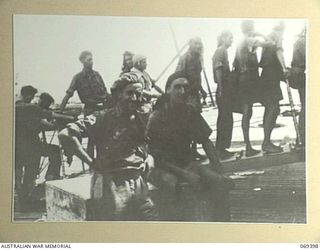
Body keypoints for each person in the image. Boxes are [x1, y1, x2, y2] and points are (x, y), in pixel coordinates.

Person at [59, 73, 159, 221]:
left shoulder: (139, 118)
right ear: (119, 94)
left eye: (138, 94)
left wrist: (148, 158)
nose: (134, 98)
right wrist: (91, 163)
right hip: (112, 184)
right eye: (129, 93)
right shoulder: (102, 117)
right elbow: (65, 134)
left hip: (139, 183)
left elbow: (144, 143)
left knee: (153, 225)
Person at [147, 72, 234, 221]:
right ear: (168, 90)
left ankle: (222, 229)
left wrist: (220, 170)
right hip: (162, 168)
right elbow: (156, 155)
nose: (182, 91)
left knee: (221, 184)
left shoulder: (190, 112)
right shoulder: (157, 117)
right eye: (177, 87)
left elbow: (206, 142)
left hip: (187, 164)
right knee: (173, 185)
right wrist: (184, 174)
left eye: (185, 87)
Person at [15, 86, 72, 210]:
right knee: (52, 153)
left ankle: (25, 197)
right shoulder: (28, 107)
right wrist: (71, 119)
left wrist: (50, 124)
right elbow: (47, 119)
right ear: (28, 95)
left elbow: (39, 124)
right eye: (33, 97)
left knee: (20, 174)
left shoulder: (18, 108)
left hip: (17, 147)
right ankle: (49, 182)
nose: (34, 100)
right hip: (29, 147)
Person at [233, 20, 272, 157]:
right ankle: (257, 144)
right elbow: (269, 43)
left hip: (243, 80)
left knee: (247, 113)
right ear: (252, 28)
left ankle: (248, 145)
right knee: (256, 109)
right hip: (250, 80)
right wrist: (259, 33)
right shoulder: (250, 40)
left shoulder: (241, 42)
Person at [259, 21, 289, 153]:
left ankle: (266, 142)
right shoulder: (277, 35)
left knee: (270, 108)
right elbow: (279, 51)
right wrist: (284, 68)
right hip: (271, 76)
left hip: (267, 76)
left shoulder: (269, 36)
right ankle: (266, 142)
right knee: (274, 108)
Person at [175, 37, 206, 159]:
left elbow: (197, 77)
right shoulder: (184, 58)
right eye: (195, 43)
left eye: (200, 43)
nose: (198, 46)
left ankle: (193, 150)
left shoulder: (198, 58)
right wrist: (182, 93)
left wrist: (202, 90)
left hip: (195, 95)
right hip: (187, 96)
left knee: (194, 122)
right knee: (188, 123)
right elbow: (177, 76)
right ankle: (187, 152)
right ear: (190, 45)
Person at [60, 51, 112, 115]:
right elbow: (68, 95)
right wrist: (60, 111)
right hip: (90, 111)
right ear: (82, 61)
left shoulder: (97, 75)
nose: (92, 62)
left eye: (92, 59)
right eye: (89, 60)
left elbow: (105, 92)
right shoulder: (77, 78)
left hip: (104, 108)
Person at [212, 30, 235, 160]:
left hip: (225, 89)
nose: (231, 40)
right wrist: (221, 89)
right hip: (223, 89)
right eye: (230, 37)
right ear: (223, 38)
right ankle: (220, 149)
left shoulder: (222, 51)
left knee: (225, 119)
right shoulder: (221, 51)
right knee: (225, 119)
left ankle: (222, 148)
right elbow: (218, 70)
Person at [290, 26, 306, 147]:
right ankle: (302, 139)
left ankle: (301, 138)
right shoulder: (303, 42)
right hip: (303, 77)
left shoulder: (299, 41)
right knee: (307, 108)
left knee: (305, 108)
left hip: (300, 76)